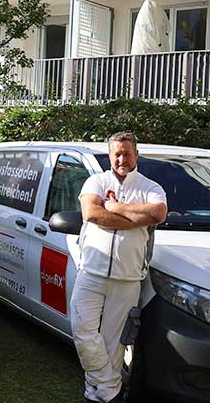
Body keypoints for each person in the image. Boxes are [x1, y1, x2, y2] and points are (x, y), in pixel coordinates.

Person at [72, 132, 167, 403]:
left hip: (128, 278)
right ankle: (112, 390)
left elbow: (157, 214)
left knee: (114, 344)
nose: (121, 159)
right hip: (91, 271)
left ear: (136, 154)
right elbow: (91, 213)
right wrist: (136, 217)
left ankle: (98, 394)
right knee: (83, 331)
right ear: (110, 155)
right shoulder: (96, 181)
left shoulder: (151, 187)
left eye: (127, 153)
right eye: (117, 154)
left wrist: (115, 207)